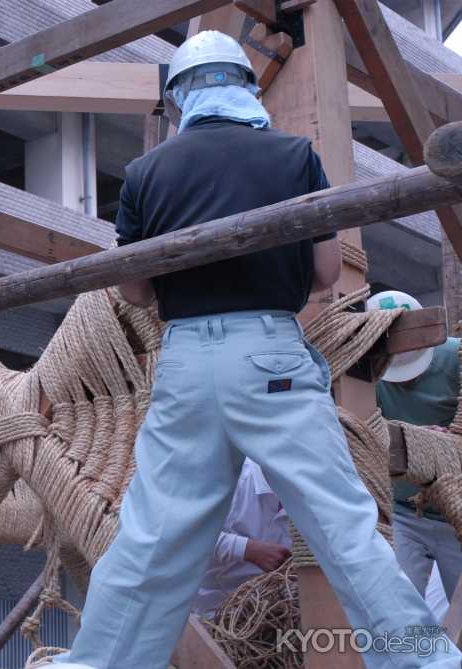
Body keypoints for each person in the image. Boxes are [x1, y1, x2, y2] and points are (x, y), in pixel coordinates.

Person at [55, 30, 460, 668]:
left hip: (185, 362)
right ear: (246, 87)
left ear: (178, 97)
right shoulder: (294, 156)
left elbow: (134, 289)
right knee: (344, 530)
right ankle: (425, 663)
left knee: (150, 542)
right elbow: (327, 272)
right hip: (270, 353)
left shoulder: (144, 173)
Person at [371, 290, 462, 616]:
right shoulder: (364, 373)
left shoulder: (456, 358)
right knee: (395, 611)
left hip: (456, 514)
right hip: (403, 513)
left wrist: (446, 443)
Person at [192, 459, 291, 618]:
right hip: (201, 609)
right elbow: (181, 537)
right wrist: (246, 549)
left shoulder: (312, 497)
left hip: (269, 611)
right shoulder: (229, 476)